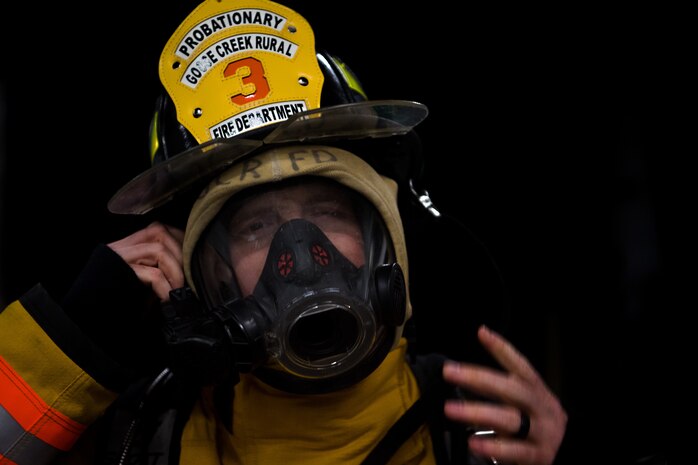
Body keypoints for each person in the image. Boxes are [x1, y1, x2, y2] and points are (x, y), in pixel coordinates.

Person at [0, 0, 567, 464]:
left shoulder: (479, 433)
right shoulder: (140, 435)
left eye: (327, 212)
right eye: (255, 227)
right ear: (204, 274)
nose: (301, 254)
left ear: (384, 238)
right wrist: (63, 354)